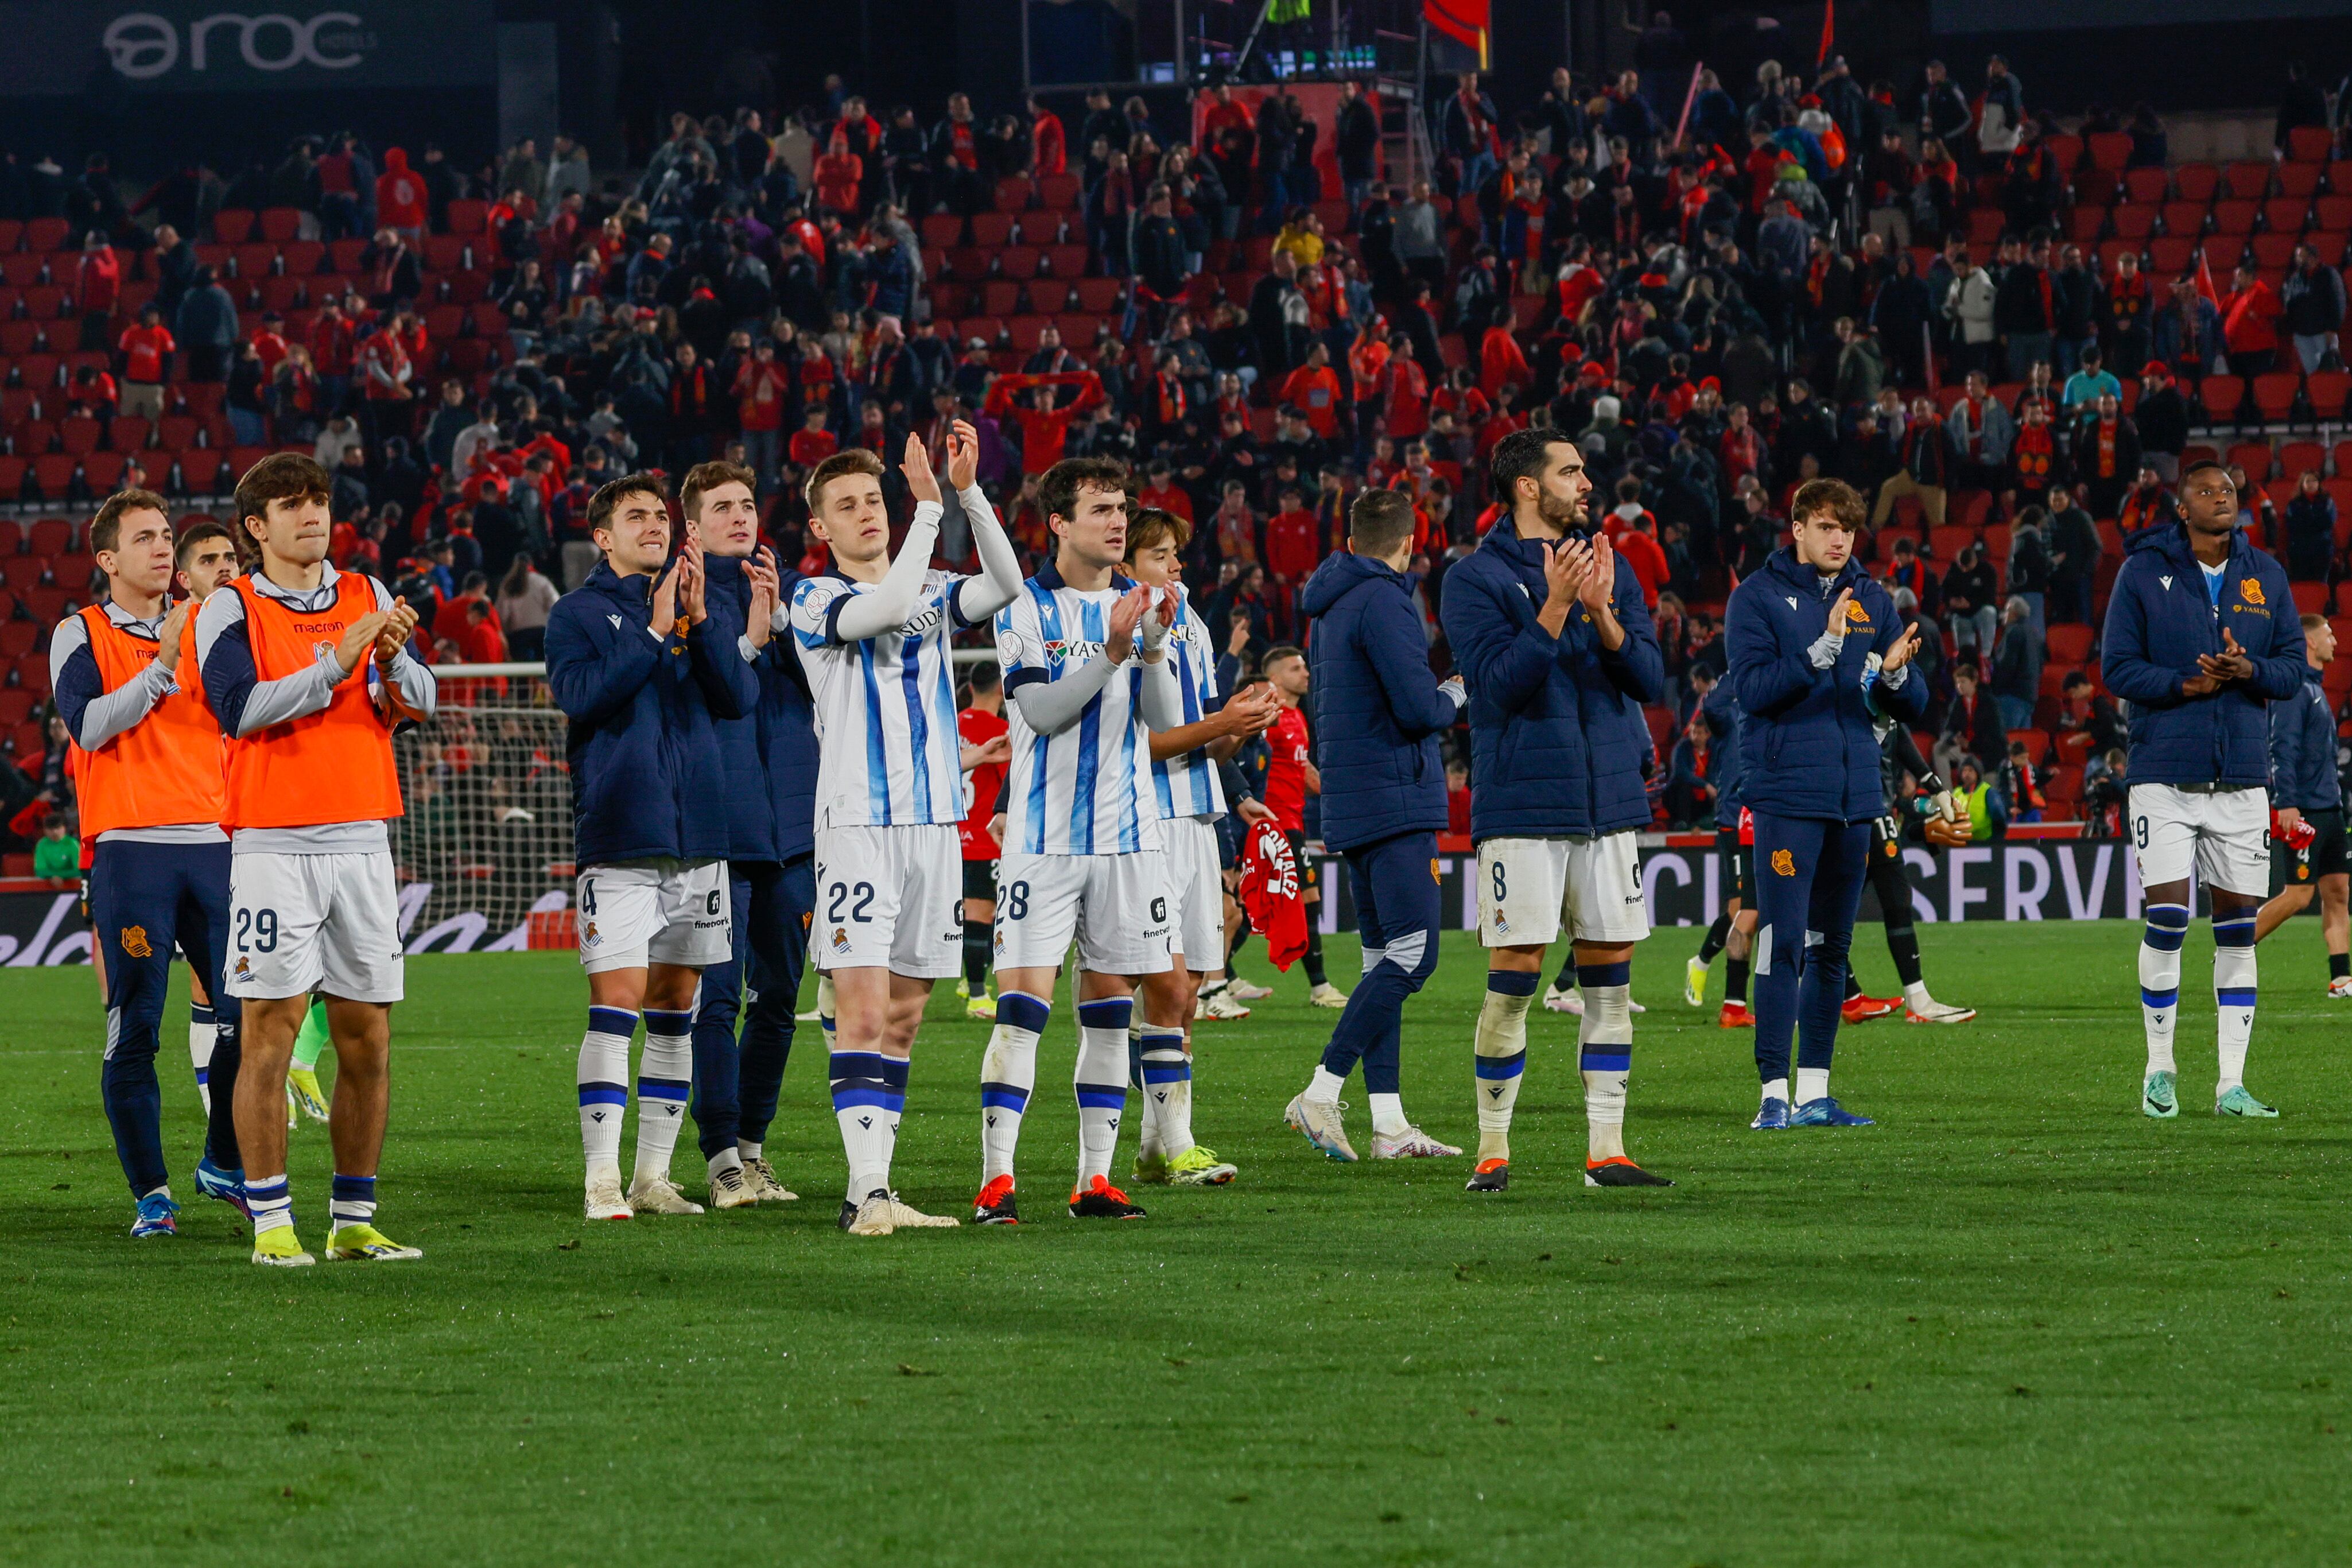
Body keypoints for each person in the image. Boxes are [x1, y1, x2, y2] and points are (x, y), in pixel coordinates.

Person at [195, 453, 436, 1265]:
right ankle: (269, 1225)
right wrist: (337, 659)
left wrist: (395, 656)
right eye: (293, 506)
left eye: (321, 502)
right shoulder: (228, 608)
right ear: (255, 527)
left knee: (367, 1035)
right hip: (273, 842)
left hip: (363, 838)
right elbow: (240, 710)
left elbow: (420, 701)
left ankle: (353, 1221)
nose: (313, 516)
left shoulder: (366, 594)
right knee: (271, 1028)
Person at [787, 433, 1023, 1232]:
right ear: (821, 528)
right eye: (846, 506)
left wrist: (965, 495)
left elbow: (1008, 582)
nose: (864, 515)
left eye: (871, 500)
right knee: (859, 1013)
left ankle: (876, 1189)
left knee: (905, 1019)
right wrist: (927, 510)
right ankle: (865, 1196)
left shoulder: (928, 582)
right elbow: (882, 611)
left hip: (936, 829)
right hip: (858, 824)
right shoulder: (812, 599)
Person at [1439, 427, 1670, 1193]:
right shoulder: (1473, 579)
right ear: (1528, 487)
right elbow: (1496, 686)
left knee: (1607, 978)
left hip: (1608, 805)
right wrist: (1554, 607)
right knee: (1517, 973)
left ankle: (1607, 1151)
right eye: (1571, 471)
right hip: (1521, 807)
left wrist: (1601, 613)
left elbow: (1648, 678)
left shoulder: (1614, 563)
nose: (1586, 482)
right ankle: (1492, 1150)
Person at [975, 456, 1187, 1224]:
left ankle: (1093, 1180)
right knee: (1021, 1013)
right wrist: (1113, 651)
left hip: (1130, 841)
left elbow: (1164, 720)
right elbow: (1039, 713)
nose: (1117, 520)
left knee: (1107, 1013)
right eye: (1099, 508)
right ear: (1058, 522)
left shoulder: (1144, 603)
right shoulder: (1024, 607)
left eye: (1121, 507)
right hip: (1044, 840)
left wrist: (1155, 645)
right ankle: (996, 1179)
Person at [545, 473, 753, 1222]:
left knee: (677, 1006)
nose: (653, 527)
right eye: (635, 517)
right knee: (618, 1004)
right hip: (621, 836)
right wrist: (655, 630)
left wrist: (697, 628)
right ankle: (602, 1179)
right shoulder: (577, 614)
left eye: (659, 517)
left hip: (699, 837)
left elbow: (738, 699)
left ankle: (652, 1178)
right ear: (602, 536)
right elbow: (581, 698)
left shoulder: (700, 604)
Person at [51, 492, 244, 1237]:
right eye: (144, 539)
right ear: (108, 560)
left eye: (167, 536)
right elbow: (90, 727)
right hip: (131, 853)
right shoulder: (81, 632)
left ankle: (222, 1159)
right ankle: (152, 1198)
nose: (163, 549)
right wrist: (161, 663)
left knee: (247, 1021)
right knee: (136, 1029)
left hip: (216, 847)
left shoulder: (212, 626)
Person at [1723, 476, 1928, 1131]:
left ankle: (1815, 1092)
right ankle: (1771, 1096)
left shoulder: (1872, 597)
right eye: (1826, 525)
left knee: (1832, 948)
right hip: (1787, 795)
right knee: (1785, 944)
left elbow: (1913, 702)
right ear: (1799, 529)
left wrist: (1895, 673)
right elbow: (1752, 690)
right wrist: (1825, 650)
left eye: (1847, 527)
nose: (1839, 537)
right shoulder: (1756, 597)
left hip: (1854, 798)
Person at [2102, 460, 2304, 1119]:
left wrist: (2248, 667)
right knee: (2167, 918)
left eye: (2230, 491)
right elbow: (2116, 667)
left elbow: (2295, 667)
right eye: (2208, 492)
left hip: (2243, 782)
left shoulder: (2265, 575)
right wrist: (2182, 684)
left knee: (2239, 931)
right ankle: (2159, 1068)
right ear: (2182, 508)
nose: (2224, 499)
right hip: (2163, 776)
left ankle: (2231, 1084)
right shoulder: (2142, 573)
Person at [1283, 489, 1466, 1163]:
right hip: (1395, 799)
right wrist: (1460, 686)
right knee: (1415, 956)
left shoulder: (1327, 605)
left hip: (1354, 803)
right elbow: (1419, 708)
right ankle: (1322, 1090)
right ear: (1410, 544)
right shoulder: (1388, 597)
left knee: (1381, 960)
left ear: (1353, 540)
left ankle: (1389, 1125)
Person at [677, 460, 820, 1210]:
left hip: (793, 829)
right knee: (718, 996)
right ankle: (719, 1157)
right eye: (722, 507)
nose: (740, 516)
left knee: (780, 995)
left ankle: (755, 1149)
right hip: (718, 827)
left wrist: (785, 619)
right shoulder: (680, 599)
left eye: (747, 504)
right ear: (692, 526)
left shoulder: (798, 590)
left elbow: (828, 678)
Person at [1124, 507, 1277, 1186]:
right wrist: (1221, 720)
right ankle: (1176, 1141)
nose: (1176, 564)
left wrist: (1242, 723)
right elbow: (1139, 743)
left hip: (1197, 817)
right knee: (1162, 984)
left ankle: (1157, 1144)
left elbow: (1210, 745)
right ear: (1126, 563)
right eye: (1160, 554)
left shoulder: (1192, 621)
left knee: (1187, 992)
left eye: (1177, 553)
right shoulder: (1121, 624)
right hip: (1144, 822)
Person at [1841, 723, 1977, 1024]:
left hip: (1879, 815)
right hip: (1850, 814)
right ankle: (1844, 997)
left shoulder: (1888, 711)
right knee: (1832, 910)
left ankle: (1916, 1000)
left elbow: (1907, 753)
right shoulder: (1848, 700)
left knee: (1898, 901)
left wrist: (1938, 792)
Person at [2254, 615, 2349, 993]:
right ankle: (2235, 948)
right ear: (2310, 642)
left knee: (2339, 893)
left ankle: (2341, 977)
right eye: (2329, 634)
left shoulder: (2315, 690)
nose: (2335, 641)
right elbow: (2282, 750)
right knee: (2298, 896)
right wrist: (2287, 803)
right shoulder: (2295, 690)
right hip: (2305, 810)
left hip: (2330, 809)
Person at [1259, 645, 1347, 1007]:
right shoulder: (1271, 715)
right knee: (1297, 901)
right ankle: (1320, 988)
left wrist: (1333, 790)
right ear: (1275, 678)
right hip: (1274, 823)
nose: (1306, 673)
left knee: (1268, 906)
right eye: (1296, 668)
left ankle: (1223, 979)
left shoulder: (1296, 717)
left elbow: (1302, 768)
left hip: (1292, 821)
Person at [1684, 680, 1757, 1028]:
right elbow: (1710, 707)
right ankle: (1703, 966)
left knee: (1750, 910)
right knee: (1742, 910)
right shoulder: (1730, 714)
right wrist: (1735, 671)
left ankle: (1731, 996)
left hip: (1764, 821)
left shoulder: (1770, 711)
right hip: (1734, 820)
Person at [957, 663, 1011, 1020]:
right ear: (1001, 691)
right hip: (982, 838)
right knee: (983, 914)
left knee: (974, 913)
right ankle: (977, 995)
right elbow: (1011, 786)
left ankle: (969, 977)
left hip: (953, 835)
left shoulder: (954, 722)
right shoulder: (1001, 732)